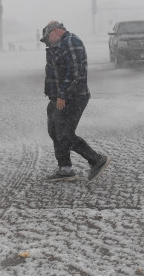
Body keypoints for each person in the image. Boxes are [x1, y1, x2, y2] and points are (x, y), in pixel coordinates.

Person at [40, 21, 111, 182]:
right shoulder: (56, 46)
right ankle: (65, 169)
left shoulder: (71, 41)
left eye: (48, 37)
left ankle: (96, 160)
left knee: (65, 134)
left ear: (57, 31)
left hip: (73, 97)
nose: (47, 41)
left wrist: (62, 95)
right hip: (57, 97)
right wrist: (54, 95)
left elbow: (74, 71)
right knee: (54, 132)